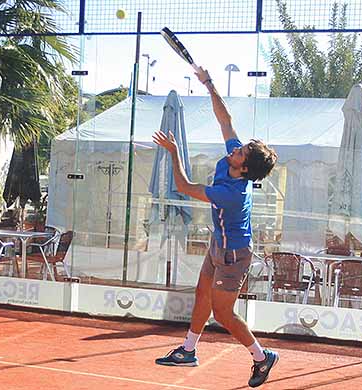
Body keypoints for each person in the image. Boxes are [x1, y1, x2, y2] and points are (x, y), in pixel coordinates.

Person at [152, 66, 279, 388]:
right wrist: (208, 84)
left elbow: (183, 186)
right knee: (201, 295)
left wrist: (174, 153)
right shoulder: (234, 163)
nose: (234, 149)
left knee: (223, 314)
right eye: (238, 148)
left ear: (245, 166)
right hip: (219, 245)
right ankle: (188, 350)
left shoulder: (231, 193)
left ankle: (262, 358)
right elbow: (225, 120)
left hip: (234, 255)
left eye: (240, 151)